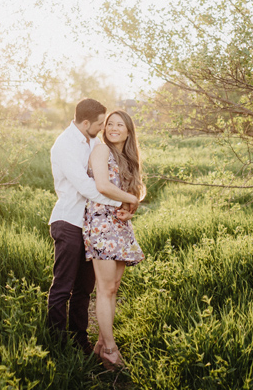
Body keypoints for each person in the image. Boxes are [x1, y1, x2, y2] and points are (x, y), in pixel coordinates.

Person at [47, 99, 139, 355]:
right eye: (101, 124)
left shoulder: (92, 142)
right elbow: (88, 187)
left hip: (88, 225)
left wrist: (126, 203)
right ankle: (57, 344)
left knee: (84, 290)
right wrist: (125, 200)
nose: (103, 129)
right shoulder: (65, 145)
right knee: (63, 286)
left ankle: (81, 342)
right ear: (87, 123)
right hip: (68, 221)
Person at [84, 109, 146, 370]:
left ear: (129, 131)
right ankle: (110, 349)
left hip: (119, 225)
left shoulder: (127, 158)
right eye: (110, 124)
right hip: (100, 223)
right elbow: (102, 185)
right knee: (105, 288)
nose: (113, 128)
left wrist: (133, 203)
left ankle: (100, 343)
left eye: (120, 124)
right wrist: (131, 200)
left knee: (113, 287)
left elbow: (138, 189)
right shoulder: (101, 150)